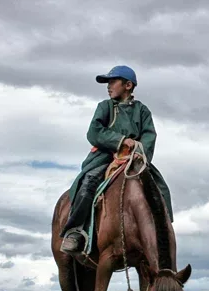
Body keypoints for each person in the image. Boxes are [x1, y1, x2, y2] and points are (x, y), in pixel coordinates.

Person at [60, 65, 173, 254]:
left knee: (160, 189)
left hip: (135, 158)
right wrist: (121, 141)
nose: (108, 86)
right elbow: (94, 132)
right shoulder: (105, 107)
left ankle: (163, 234)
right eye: (108, 83)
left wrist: (139, 151)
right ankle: (76, 231)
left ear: (128, 85)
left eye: (113, 82)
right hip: (104, 157)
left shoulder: (142, 111)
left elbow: (149, 135)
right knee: (88, 182)